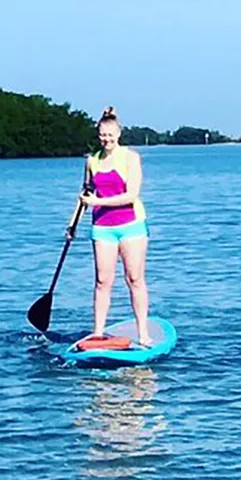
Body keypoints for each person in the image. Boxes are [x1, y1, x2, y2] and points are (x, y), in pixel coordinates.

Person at [68, 107, 152, 346]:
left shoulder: (130, 158)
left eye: (110, 135)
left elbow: (131, 195)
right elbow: (86, 193)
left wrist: (97, 202)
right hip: (102, 227)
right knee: (102, 281)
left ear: (119, 133)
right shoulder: (91, 160)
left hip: (131, 225)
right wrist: (72, 222)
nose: (106, 139)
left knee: (134, 278)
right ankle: (97, 331)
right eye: (102, 135)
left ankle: (143, 332)